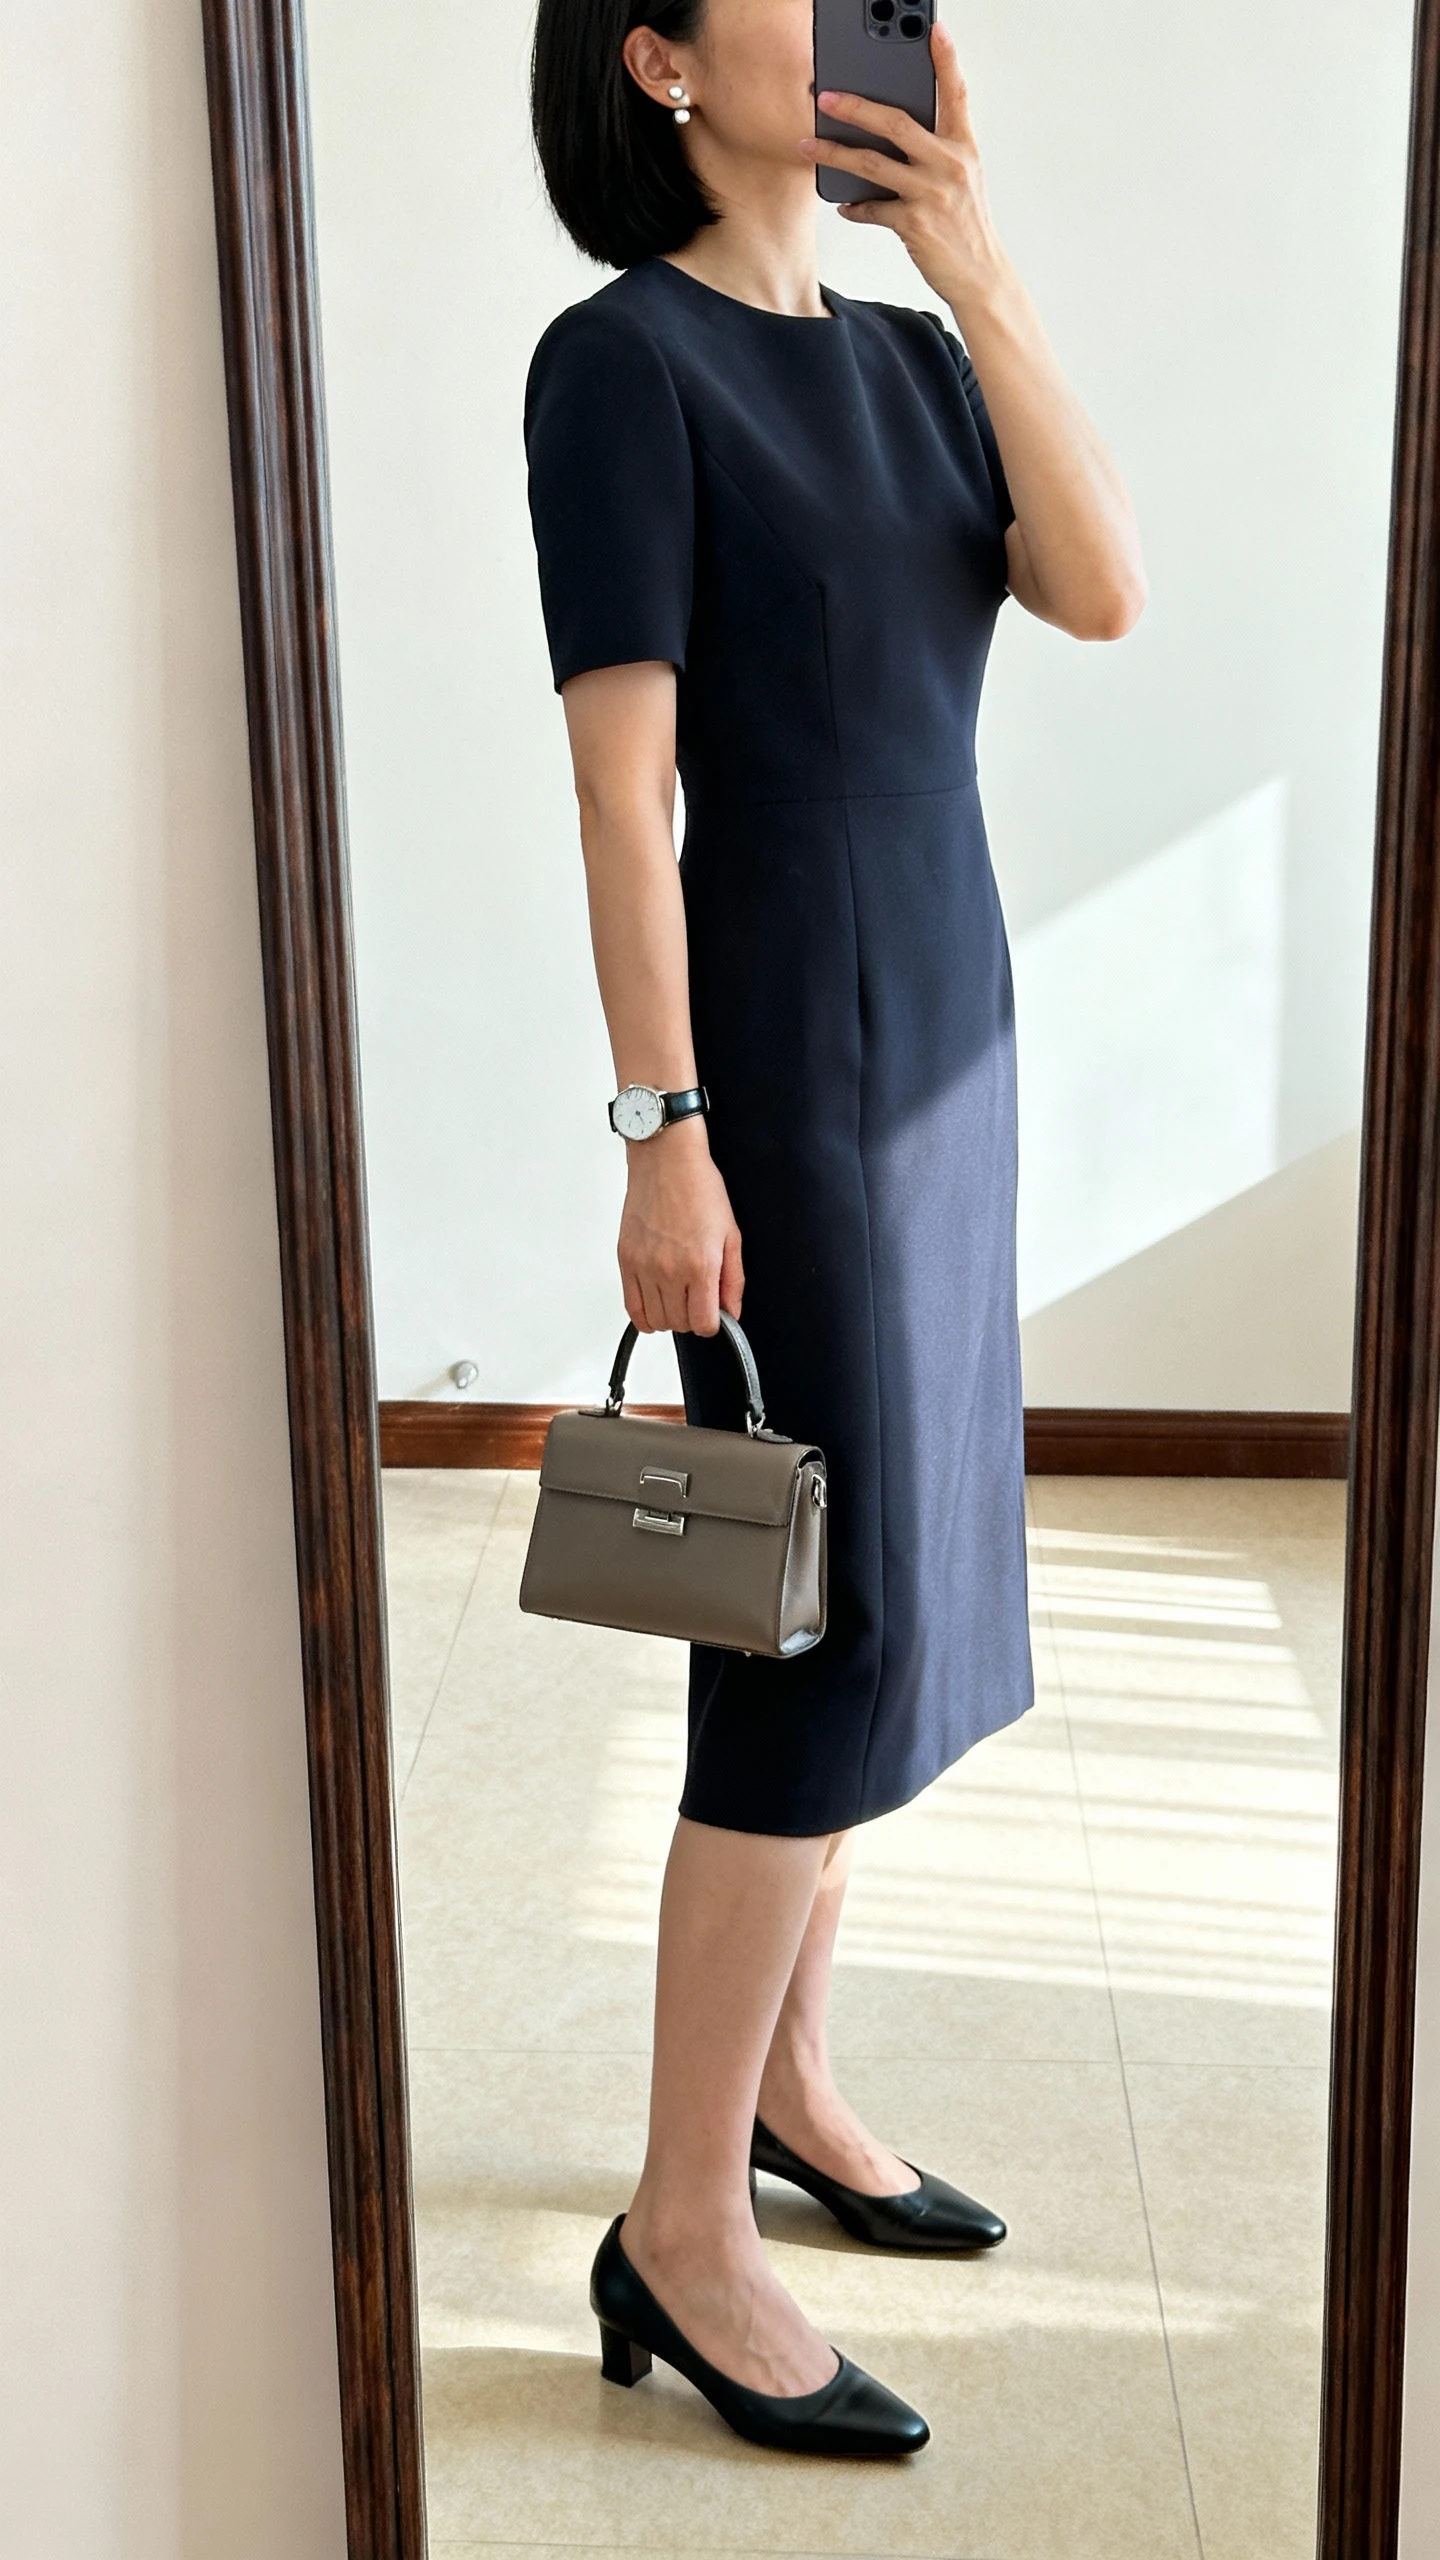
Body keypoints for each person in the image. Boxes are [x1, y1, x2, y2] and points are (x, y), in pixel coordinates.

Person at [524, 0, 1145, 2458]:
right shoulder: (620, 363)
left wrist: (978, 263)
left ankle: (785, 2087)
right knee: (809, 1634)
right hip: (779, 1065)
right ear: (663, 63)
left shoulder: (907, 362)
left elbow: (1099, 590)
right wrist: (664, 1127)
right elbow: (618, 792)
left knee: (890, 1602)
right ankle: (685, 2221)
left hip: (949, 1048)